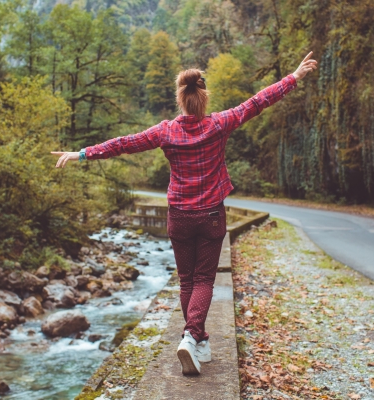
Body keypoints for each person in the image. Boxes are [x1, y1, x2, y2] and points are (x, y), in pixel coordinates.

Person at [52, 50, 318, 375]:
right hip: (210, 216)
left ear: (181, 100)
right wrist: (294, 77)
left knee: (186, 281)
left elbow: (124, 143)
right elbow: (258, 102)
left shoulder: (165, 132)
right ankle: (192, 337)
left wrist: (82, 154)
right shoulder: (219, 123)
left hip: (179, 215)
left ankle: (199, 340)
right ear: (203, 98)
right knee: (205, 278)